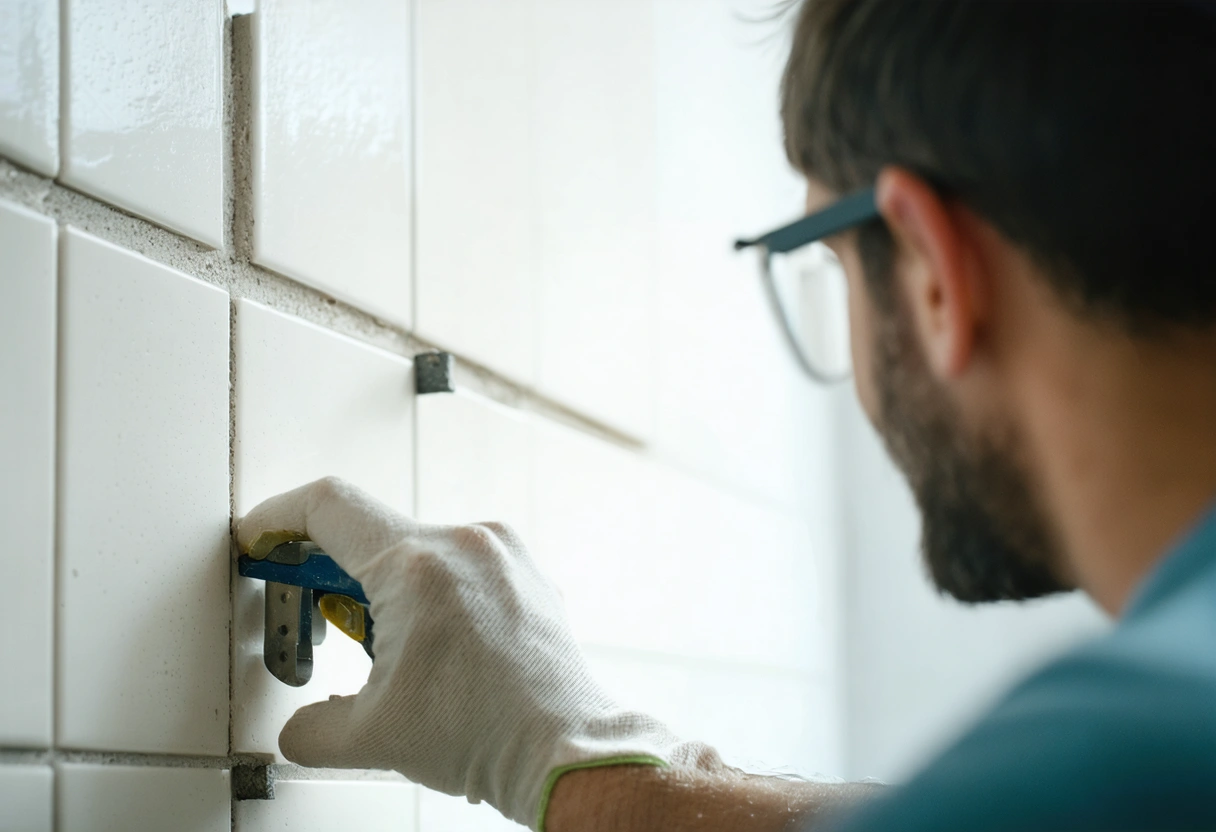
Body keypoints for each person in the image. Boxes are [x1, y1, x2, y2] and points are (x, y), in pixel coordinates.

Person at [236, 1, 1216, 829]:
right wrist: (586, 757)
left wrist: (554, 754)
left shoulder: (1135, 740)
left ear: (927, 273)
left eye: (828, 266)